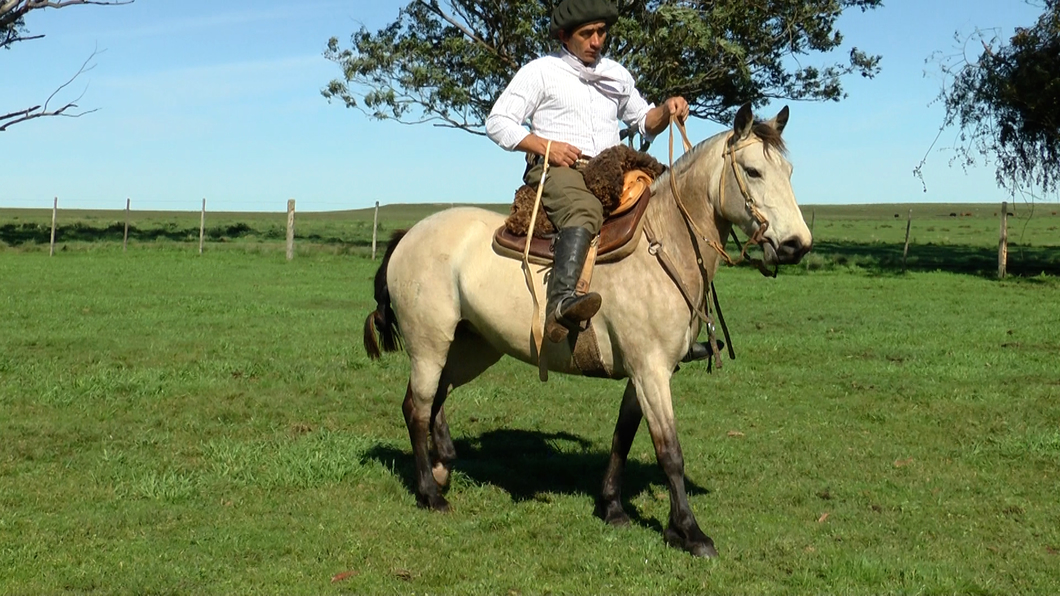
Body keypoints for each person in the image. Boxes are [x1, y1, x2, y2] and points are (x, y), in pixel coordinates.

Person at [486, 0, 689, 343]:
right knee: (585, 209)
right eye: (587, 34)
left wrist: (667, 110)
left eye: (601, 32)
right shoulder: (540, 72)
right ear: (564, 36)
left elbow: (644, 122)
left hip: (609, 169)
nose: (597, 41)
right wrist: (546, 146)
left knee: (666, 204)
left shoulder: (617, 74)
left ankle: (671, 327)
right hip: (557, 168)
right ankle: (561, 303)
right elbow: (498, 122)